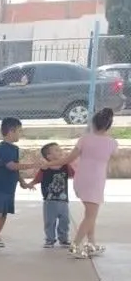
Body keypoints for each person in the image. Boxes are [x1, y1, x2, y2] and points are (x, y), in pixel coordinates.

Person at [43, 107, 119, 258]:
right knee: (91, 216)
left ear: (93, 123)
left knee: (90, 214)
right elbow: (113, 156)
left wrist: (49, 164)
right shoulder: (112, 143)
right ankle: (75, 245)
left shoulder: (84, 139)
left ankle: (91, 244)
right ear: (108, 125)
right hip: (95, 182)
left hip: (81, 180)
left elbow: (67, 159)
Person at [0, 117, 43, 254]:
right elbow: (11, 166)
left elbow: (15, 169)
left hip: (9, 188)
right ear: (11, 131)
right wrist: (32, 165)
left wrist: (22, 182)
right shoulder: (3, 148)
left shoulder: (14, 149)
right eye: (19, 131)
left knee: (4, 214)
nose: (20, 134)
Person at [25, 142, 74, 248]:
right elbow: (38, 179)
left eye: (60, 149)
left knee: (65, 220)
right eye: (56, 150)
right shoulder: (45, 169)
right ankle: (50, 239)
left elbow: (74, 174)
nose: (60, 151)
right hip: (49, 200)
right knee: (49, 221)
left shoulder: (66, 166)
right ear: (49, 156)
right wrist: (30, 184)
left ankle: (64, 239)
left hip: (63, 200)